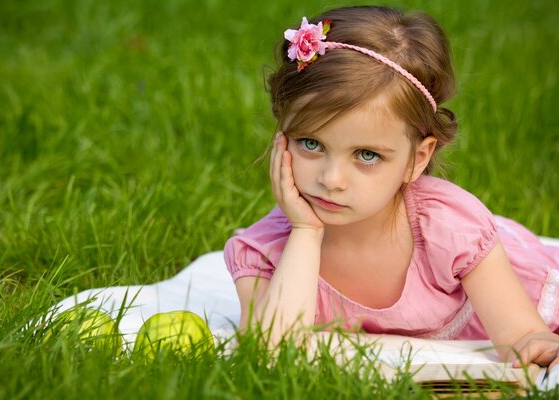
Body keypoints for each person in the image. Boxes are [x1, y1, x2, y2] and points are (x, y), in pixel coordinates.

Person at [223, 5, 559, 370]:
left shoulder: (448, 229)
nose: (331, 179)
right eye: (310, 144)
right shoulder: (264, 253)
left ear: (417, 158)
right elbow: (269, 357)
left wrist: (533, 342)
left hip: (520, 280)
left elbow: (523, 339)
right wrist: (305, 232)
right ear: (281, 137)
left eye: (366, 154)